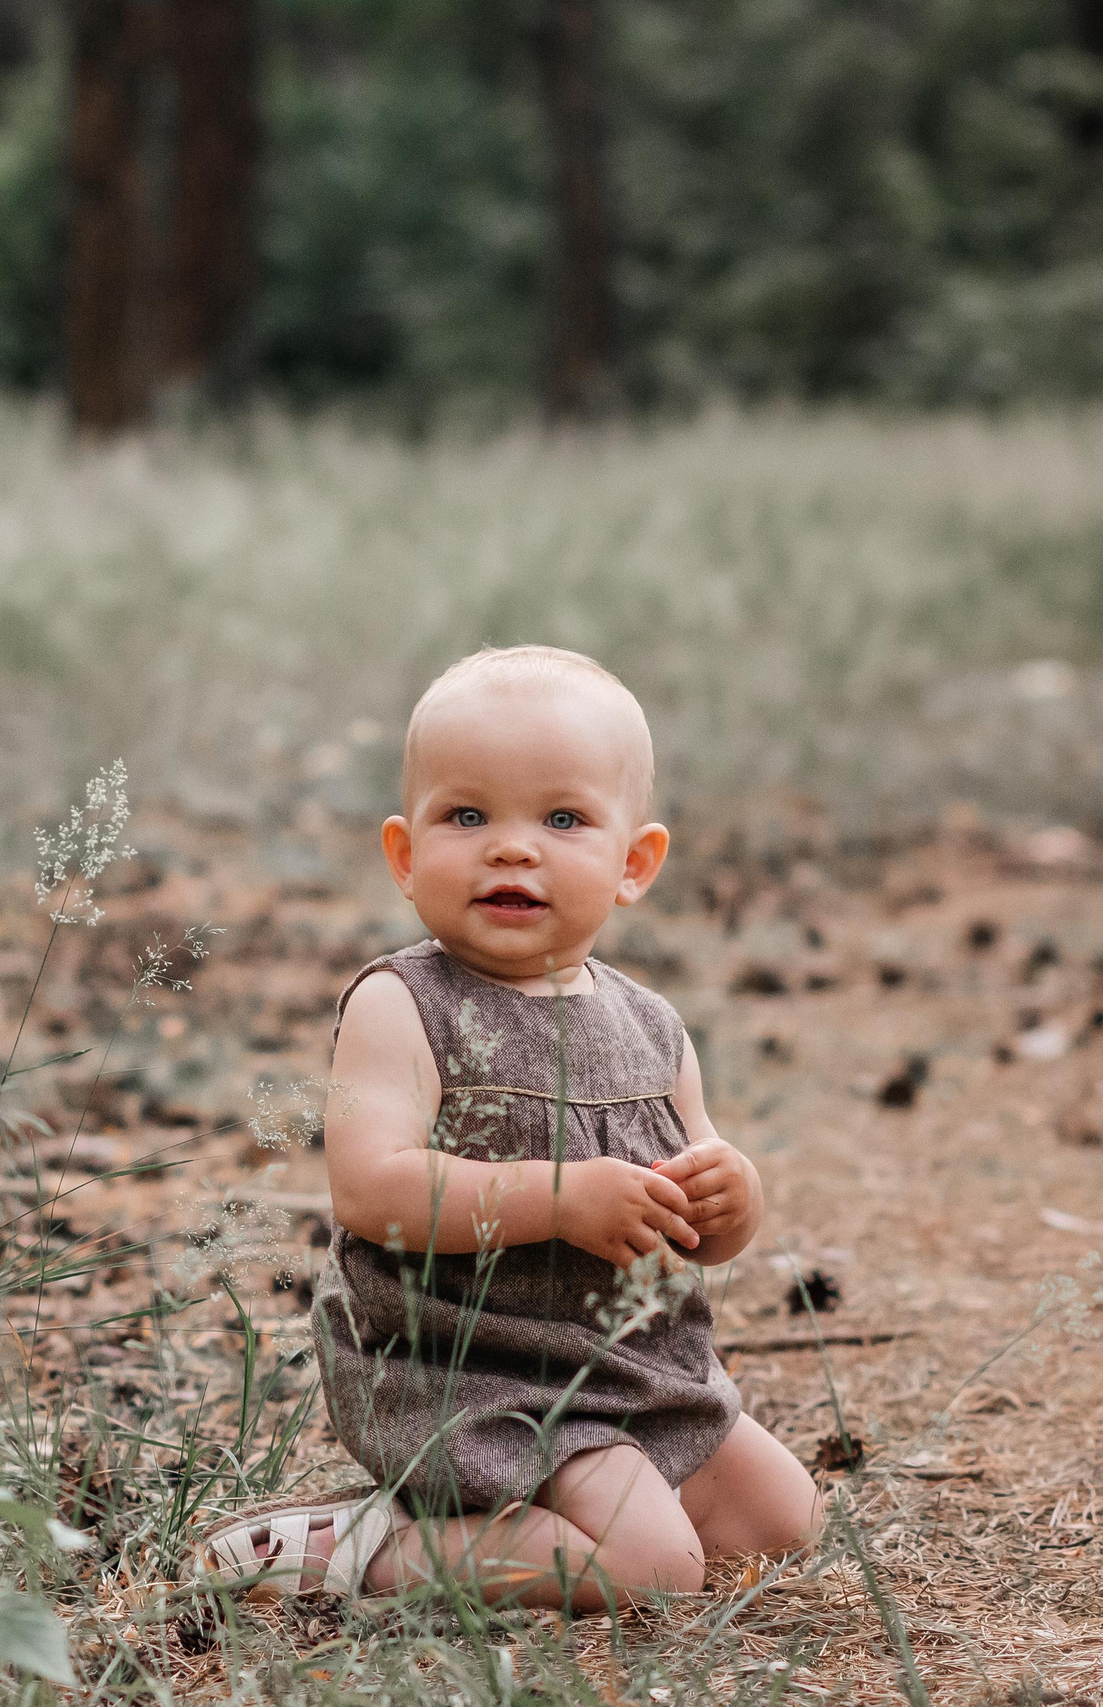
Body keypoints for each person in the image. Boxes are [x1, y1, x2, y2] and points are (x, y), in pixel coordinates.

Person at [193, 645, 823, 1608]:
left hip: (631, 1368)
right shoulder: (403, 1005)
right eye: (467, 816)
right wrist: (558, 1199)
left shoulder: (652, 1026)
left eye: (562, 819)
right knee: (653, 1568)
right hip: (477, 1373)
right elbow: (371, 1191)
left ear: (633, 863)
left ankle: (552, 1517)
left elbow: (697, 1223)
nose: (512, 848)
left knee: (781, 1520)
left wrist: (730, 1198)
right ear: (405, 855)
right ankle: (361, 1549)